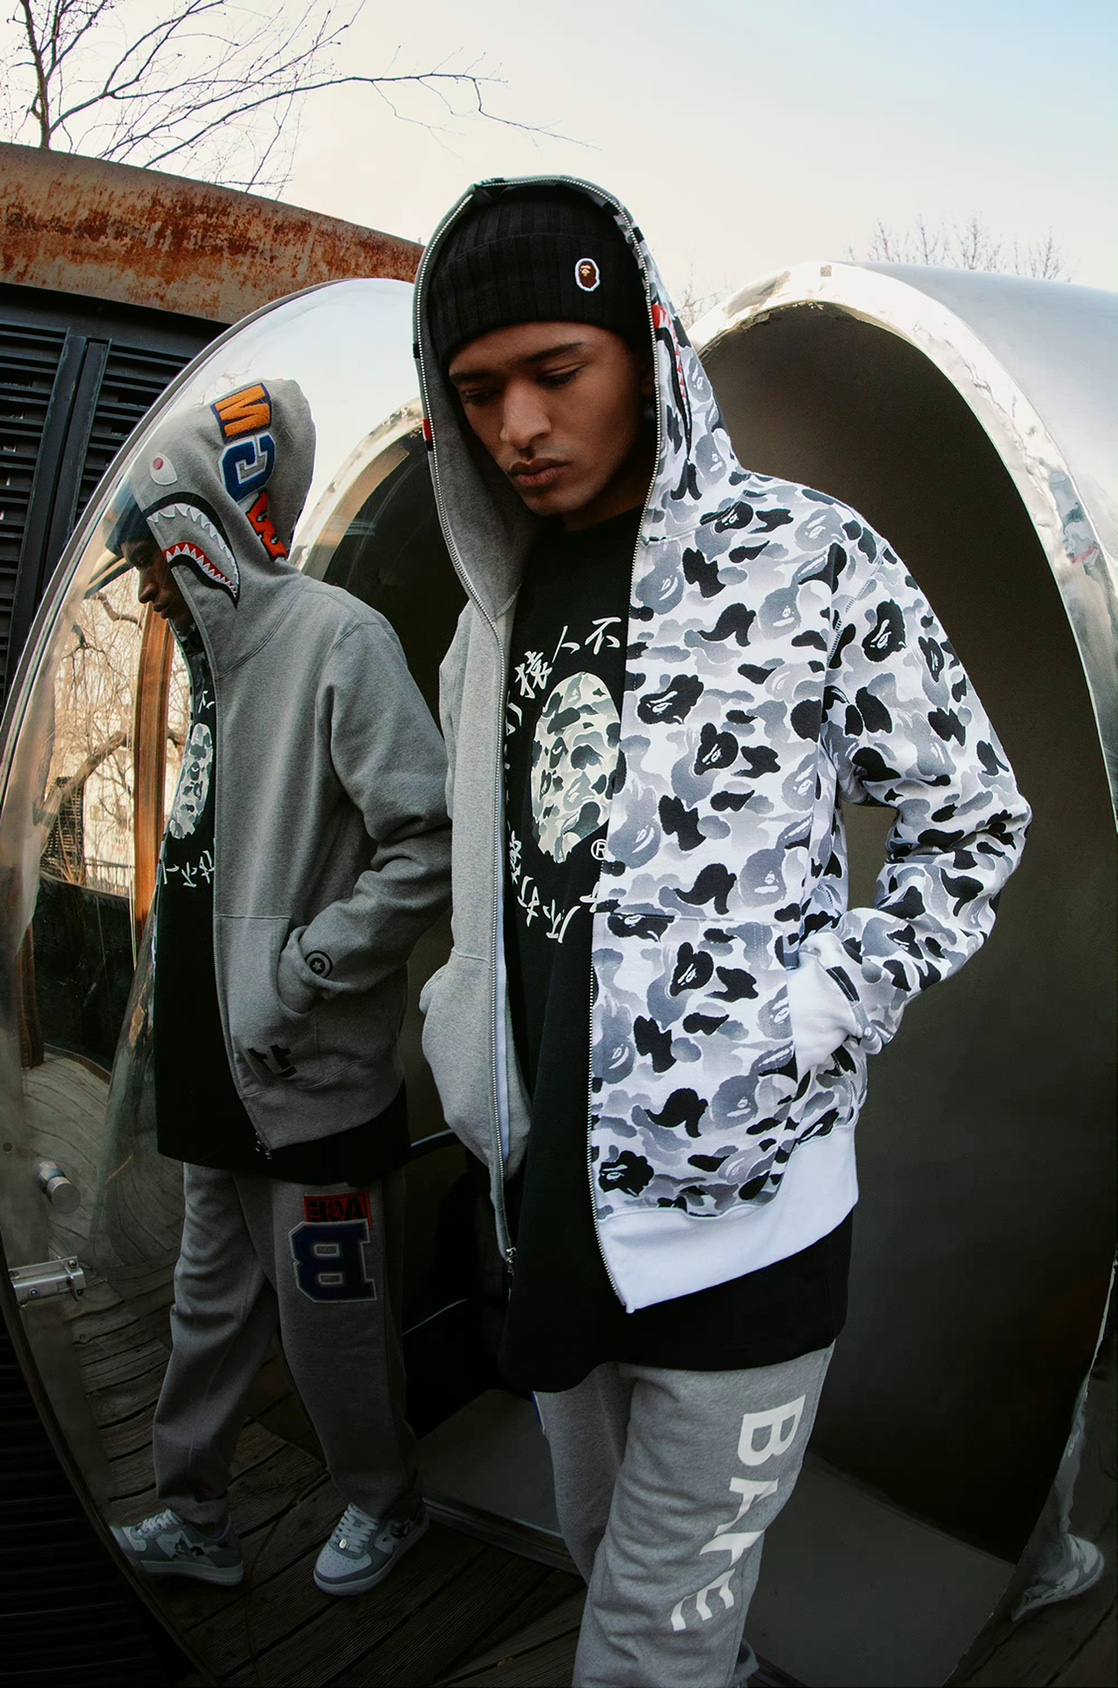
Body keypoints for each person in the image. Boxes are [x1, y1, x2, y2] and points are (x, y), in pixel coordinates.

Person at [414, 180, 1031, 1686]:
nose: (519, 426)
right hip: (545, 1196)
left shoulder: (806, 558)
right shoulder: (488, 615)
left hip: (746, 1209)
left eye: (556, 370)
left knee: (644, 1628)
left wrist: (829, 1002)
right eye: (478, 391)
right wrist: (462, 1029)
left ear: (646, 350)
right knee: (613, 1559)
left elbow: (972, 814)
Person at [109, 378, 451, 1597]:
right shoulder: (211, 668)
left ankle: (386, 1503)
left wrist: (304, 967)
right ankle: (193, 1511)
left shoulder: (337, 641)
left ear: (198, 528)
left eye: (152, 557)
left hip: (311, 1088)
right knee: (204, 1311)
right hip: (219, 1079)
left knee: (333, 1327)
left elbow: (429, 839)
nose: (145, 588)